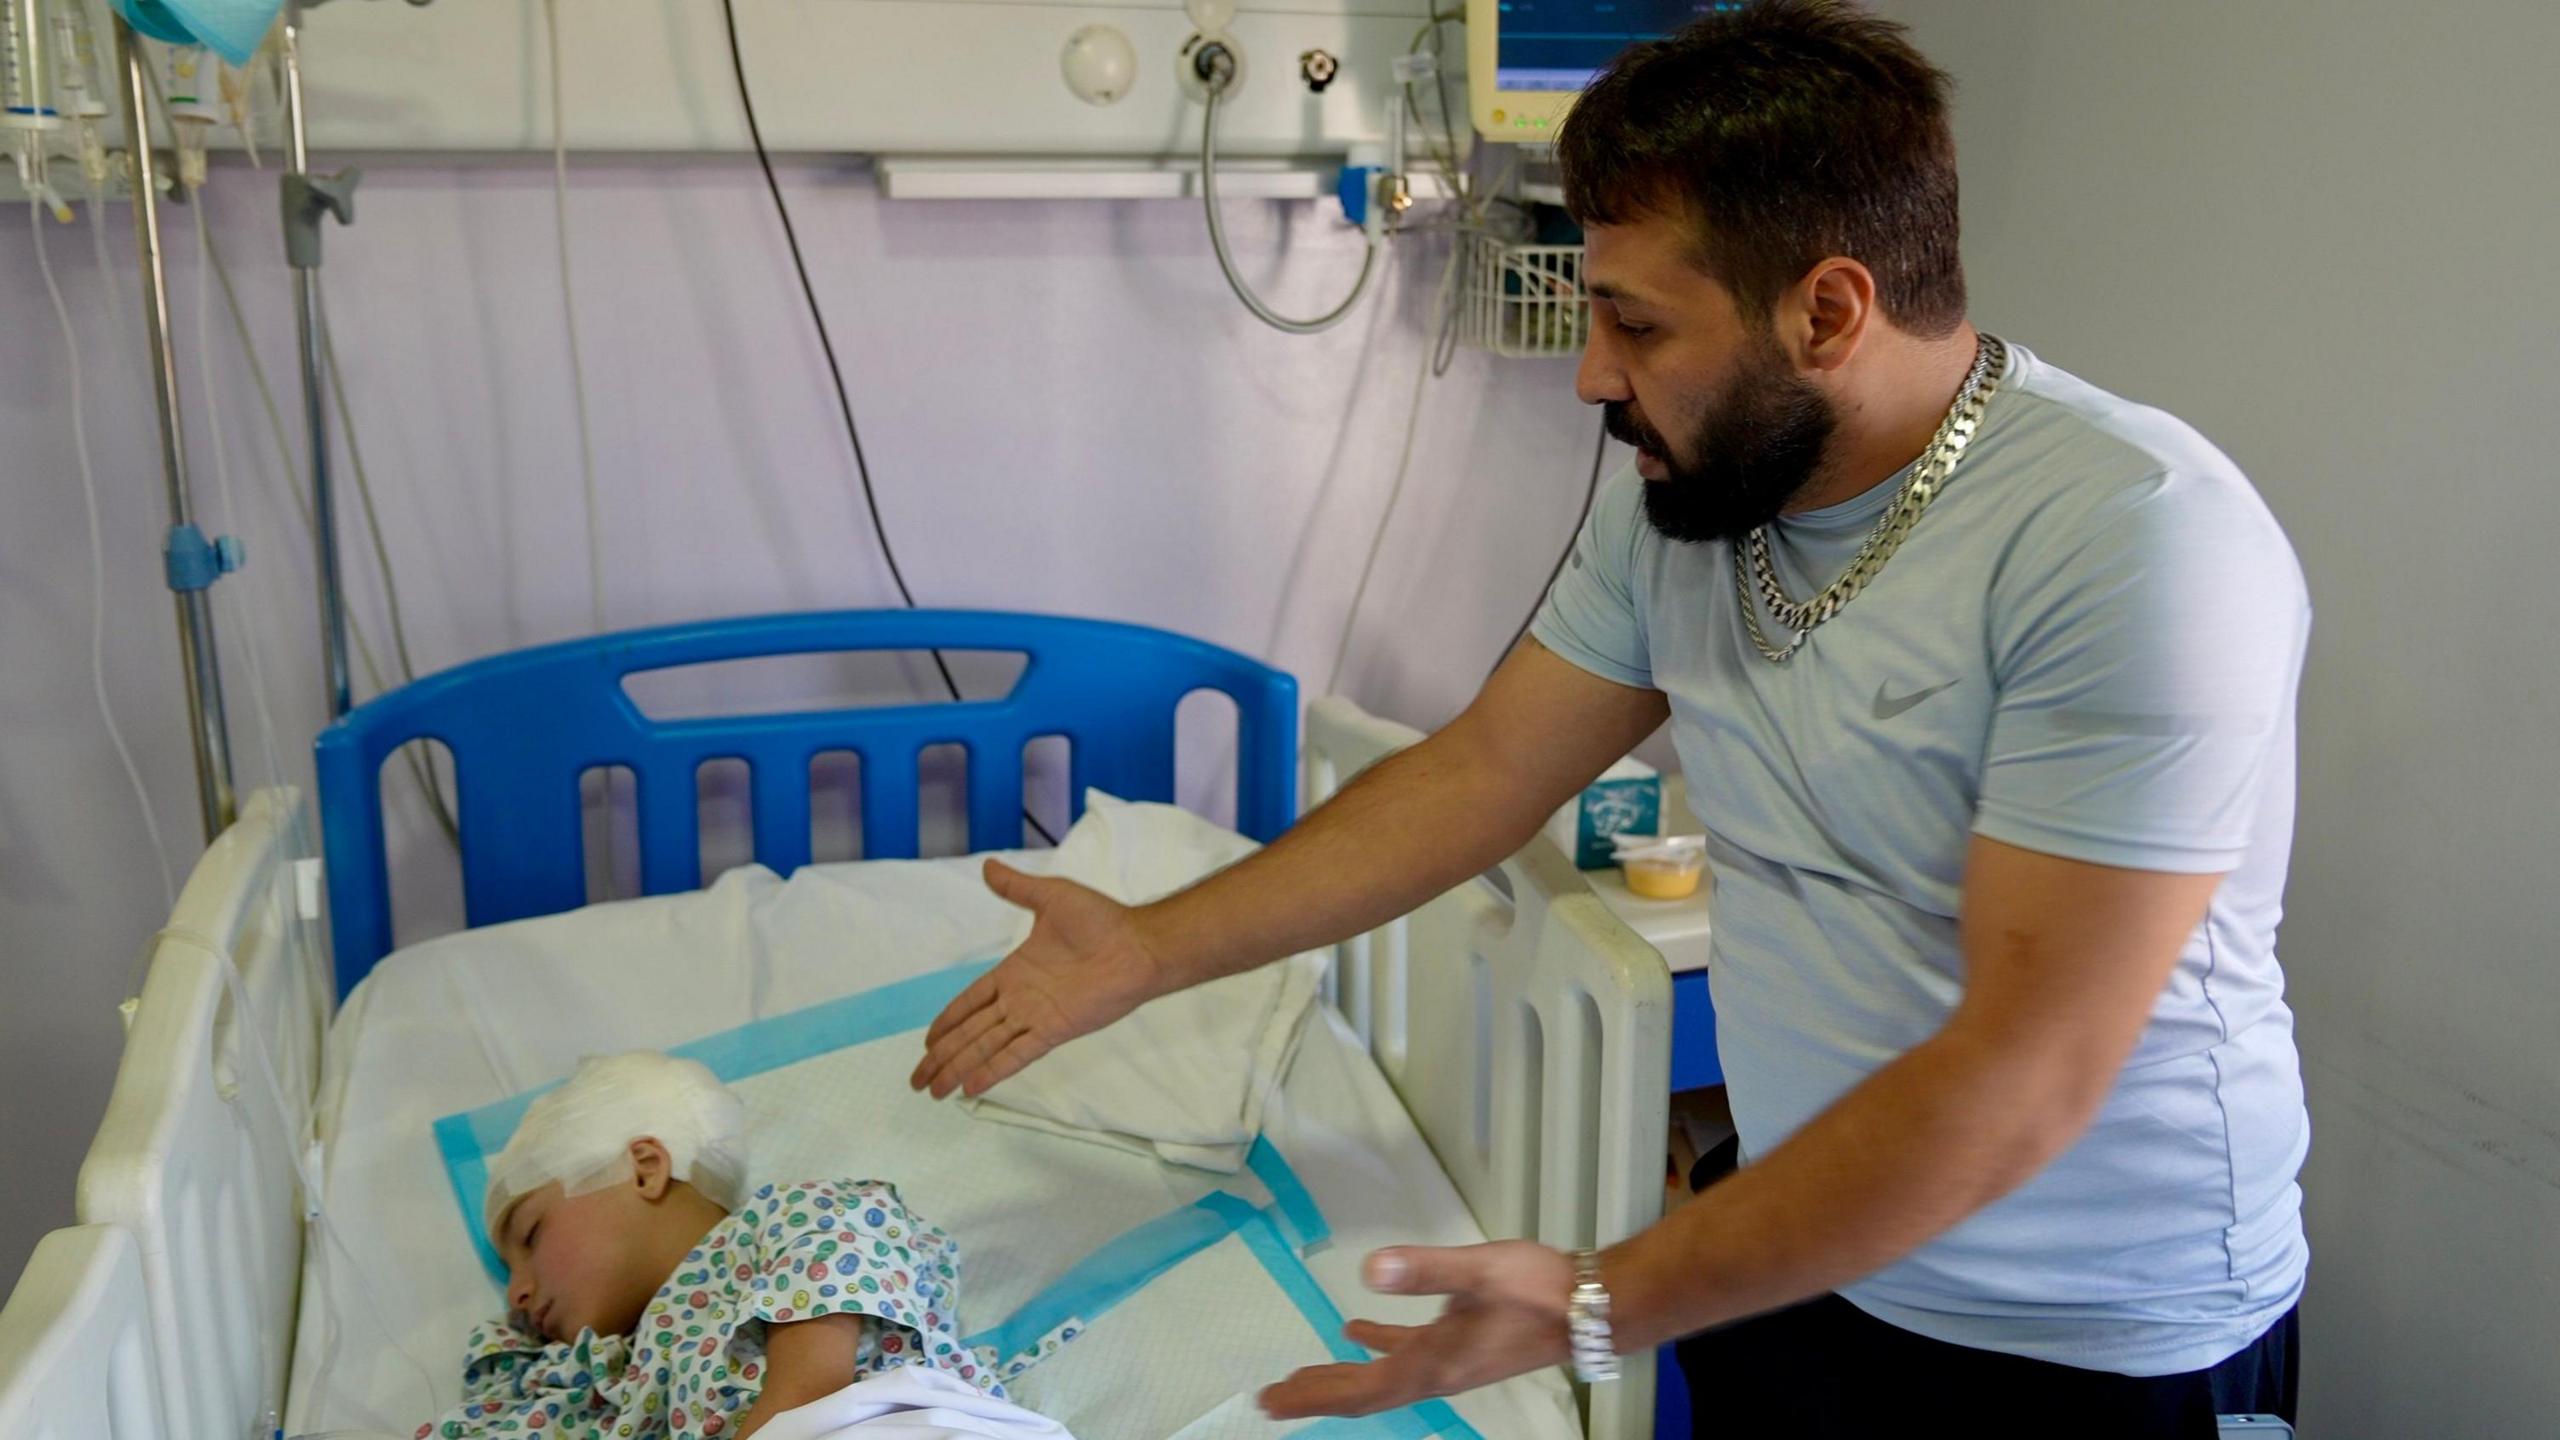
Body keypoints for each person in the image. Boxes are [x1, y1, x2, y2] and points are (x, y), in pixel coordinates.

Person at [910, 1, 2309, 1434]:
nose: (1592, 372)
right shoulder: (1687, 508)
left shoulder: (2134, 542)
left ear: (1828, 311)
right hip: (1791, 1240)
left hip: (2079, 1332)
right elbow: (1483, 771)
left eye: (1636, 323)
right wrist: (1152, 946)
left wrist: (1601, 1296)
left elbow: (2027, 1074)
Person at [430, 1051, 993, 1439]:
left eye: (530, 1235)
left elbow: (813, 1387)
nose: (518, 1293)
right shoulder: (620, 1367)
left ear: (646, 1168)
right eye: (508, 1271)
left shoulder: (790, 1220)